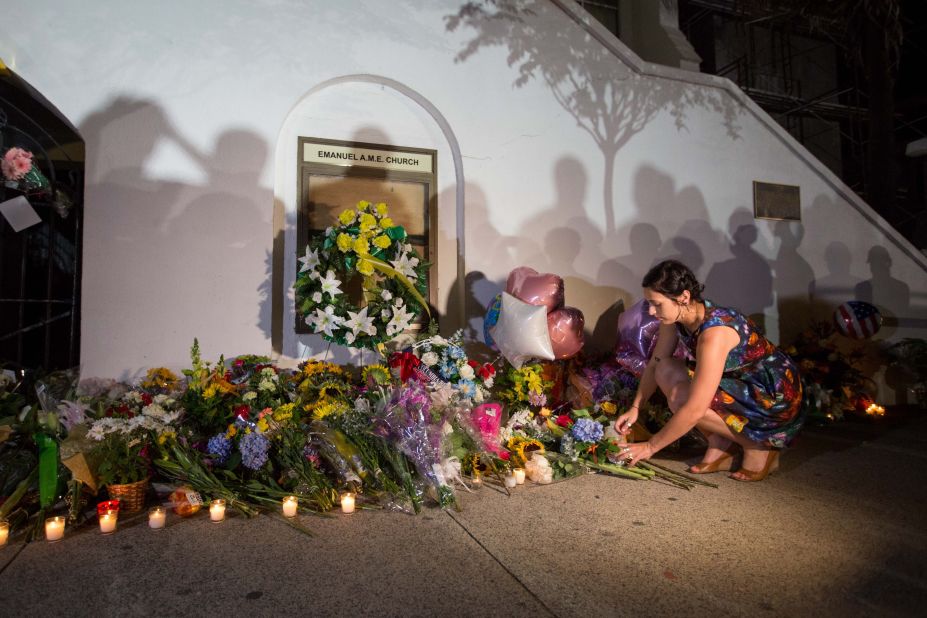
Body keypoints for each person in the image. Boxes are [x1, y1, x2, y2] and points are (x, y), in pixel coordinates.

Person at [614, 259, 804, 481]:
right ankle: (721, 442)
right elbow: (657, 361)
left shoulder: (714, 334)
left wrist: (650, 447)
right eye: (649, 303)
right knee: (665, 369)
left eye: (657, 304)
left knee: (683, 398)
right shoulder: (675, 317)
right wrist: (636, 407)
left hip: (773, 397)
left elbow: (695, 408)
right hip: (738, 384)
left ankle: (758, 445)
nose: (652, 312)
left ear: (683, 297)